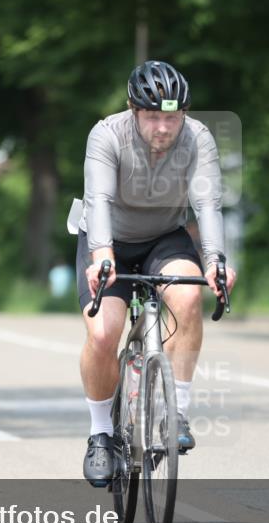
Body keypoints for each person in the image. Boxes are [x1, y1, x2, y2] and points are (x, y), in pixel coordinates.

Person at [76, 60, 237, 487]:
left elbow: (207, 204)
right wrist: (102, 256)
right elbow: (99, 200)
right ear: (133, 109)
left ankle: (176, 411)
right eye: (152, 116)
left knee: (187, 297)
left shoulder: (199, 138)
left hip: (165, 237)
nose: (163, 127)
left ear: (184, 113)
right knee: (103, 334)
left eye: (172, 117)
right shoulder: (107, 134)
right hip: (106, 241)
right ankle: (100, 434)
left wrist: (217, 261)